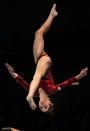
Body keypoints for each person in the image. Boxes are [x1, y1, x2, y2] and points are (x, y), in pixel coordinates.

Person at [5, 3, 88, 114]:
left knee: (38, 33)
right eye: (45, 107)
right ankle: (28, 97)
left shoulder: (35, 93)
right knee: (37, 76)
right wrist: (79, 76)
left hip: (38, 60)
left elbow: (22, 82)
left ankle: (52, 15)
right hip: (45, 62)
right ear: (49, 102)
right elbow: (66, 83)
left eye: (41, 108)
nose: (41, 106)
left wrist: (13, 73)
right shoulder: (52, 90)